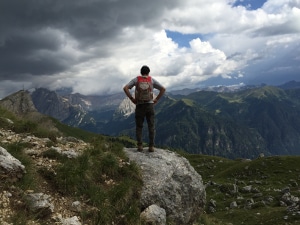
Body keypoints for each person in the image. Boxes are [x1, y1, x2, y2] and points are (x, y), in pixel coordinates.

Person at [123, 65, 166, 152]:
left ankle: (140, 146)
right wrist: (156, 99)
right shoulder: (151, 80)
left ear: (141, 72)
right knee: (151, 126)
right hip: (150, 105)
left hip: (139, 105)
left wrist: (132, 99)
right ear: (148, 72)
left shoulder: (136, 80)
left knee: (139, 127)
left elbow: (125, 88)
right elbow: (163, 89)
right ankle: (151, 146)